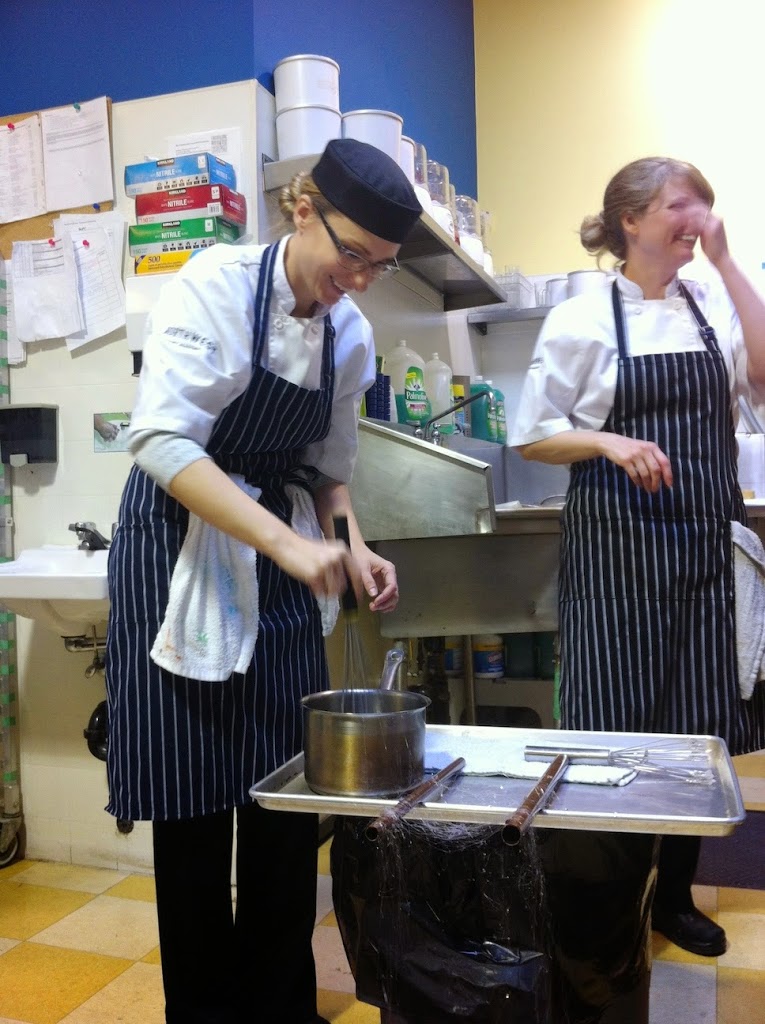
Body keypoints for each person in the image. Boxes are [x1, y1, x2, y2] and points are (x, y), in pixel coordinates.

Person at [105, 138, 422, 1024]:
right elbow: (163, 442)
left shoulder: (349, 334)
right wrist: (289, 546)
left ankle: (281, 1009)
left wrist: (352, 546)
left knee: (288, 800)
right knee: (195, 806)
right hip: (177, 555)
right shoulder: (214, 283)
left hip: (281, 561)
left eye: (380, 266)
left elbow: (328, 470)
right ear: (302, 207)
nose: (358, 280)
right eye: (351, 253)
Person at [510, 156, 765, 958]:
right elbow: (533, 434)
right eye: (680, 204)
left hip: (699, 556)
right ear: (630, 219)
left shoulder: (711, 307)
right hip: (615, 562)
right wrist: (607, 440)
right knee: (612, 729)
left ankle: (674, 898)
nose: (697, 218)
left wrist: (726, 261)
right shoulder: (581, 319)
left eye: (704, 206)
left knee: (695, 738)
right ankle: (604, 903)